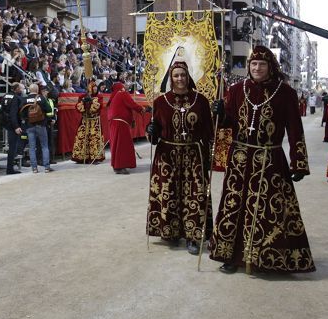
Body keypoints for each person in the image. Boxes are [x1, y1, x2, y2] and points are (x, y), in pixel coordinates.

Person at [210, 46, 314, 274]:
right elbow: (228, 122)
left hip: (270, 159)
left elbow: (295, 129)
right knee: (234, 207)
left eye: (262, 64)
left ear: (271, 67)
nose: (257, 68)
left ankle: (268, 258)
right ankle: (231, 256)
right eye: (253, 64)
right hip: (239, 158)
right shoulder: (237, 89)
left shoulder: (286, 93)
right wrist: (219, 113)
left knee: (269, 209)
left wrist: (299, 161)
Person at [146, 53, 213, 254]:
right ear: (170, 77)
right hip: (167, 155)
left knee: (195, 195)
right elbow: (155, 134)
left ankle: (194, 236)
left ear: (188, 76)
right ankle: (171, 232)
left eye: (183, 75)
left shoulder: (200, 100)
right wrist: (150, 131)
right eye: (176, 76)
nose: (180, 79)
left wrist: (209, 159)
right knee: (169, 194)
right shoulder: (160, 102)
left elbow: (209, 132)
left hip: (194, 154)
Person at [109, 80, 148, 175]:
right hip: (120, 123)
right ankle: (120, 166)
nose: (125, 87)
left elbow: (125, 108)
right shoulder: (122, 94)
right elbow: (132, 104)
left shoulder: (114, 97)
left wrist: (131, 120)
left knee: (117, 144)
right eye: (123, 85)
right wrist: (143, 109)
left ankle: (117, 165)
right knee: (122, 145)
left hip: (116, 122)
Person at [15, 82, 54, 173]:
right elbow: (49, 109)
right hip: (41, 125)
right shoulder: (41, 98)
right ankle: (47, 167)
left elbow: (21, 112)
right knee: (44, 146)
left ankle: (34, 168)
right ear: (37, 90)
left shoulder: (25, 99)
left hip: (29, 126)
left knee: (32, 147)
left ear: (29, 90)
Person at [71, 79, 105, 163]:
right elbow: (78, 108)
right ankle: (81, 157)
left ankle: (95, 157)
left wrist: (90, 102)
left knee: (94, 138)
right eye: (93, 89)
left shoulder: (99, 97)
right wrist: (83, 102)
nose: (95, 90)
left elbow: (97, 108)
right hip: (85, 120)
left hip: (95, 122)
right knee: (82, 137)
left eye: (96, 88)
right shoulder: (82, 97)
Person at [0, 82, 24, 174]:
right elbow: (13, 114)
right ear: (17, 89)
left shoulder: (5, 95)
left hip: (6, 123)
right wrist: (16, 127)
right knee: (12, 147)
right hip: (12, 125)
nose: (22, 90)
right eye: (21, 88)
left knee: (12, 146)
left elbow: (2, 110)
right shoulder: (15, 98)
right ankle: (10, 169)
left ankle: (11, 167)